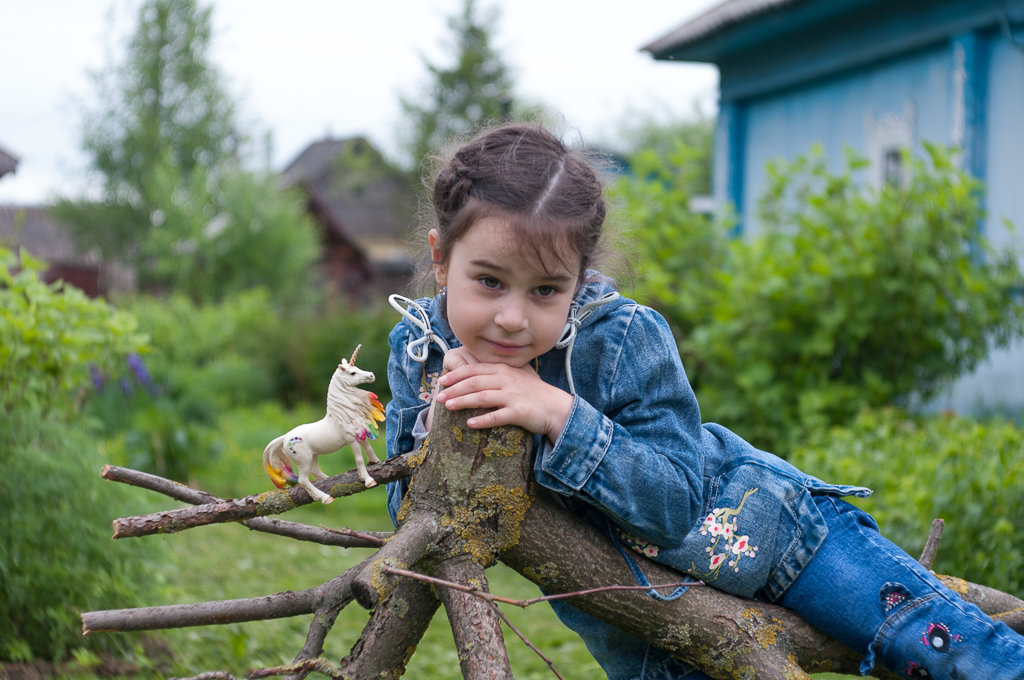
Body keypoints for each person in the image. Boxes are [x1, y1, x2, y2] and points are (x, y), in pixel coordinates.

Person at [383, 121, 1024, 679]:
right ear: (441, 260)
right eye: (489, 282)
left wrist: (558, 414)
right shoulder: (419, 352)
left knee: (955, 655)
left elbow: (675, 504)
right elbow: (416, 515)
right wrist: (441, 432)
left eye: (546, 291)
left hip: (786, 545)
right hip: (642, 634)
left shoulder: (622, 336)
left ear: (578, 281)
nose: (513, 318)